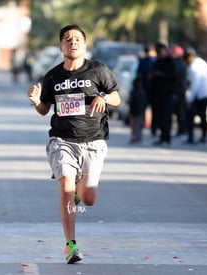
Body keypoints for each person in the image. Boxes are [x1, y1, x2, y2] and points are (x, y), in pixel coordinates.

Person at [27, 24, 120, 264]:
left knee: (88, 199)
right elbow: (44, 109)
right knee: (66, 190)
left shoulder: (98, 70)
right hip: (62, 141)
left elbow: (116, 97)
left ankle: (82, 191)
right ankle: (71, 245)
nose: (73, 42)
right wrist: (36, 101)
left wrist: (103, 97)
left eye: (77, 39)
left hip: (94, 141)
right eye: (67, 39)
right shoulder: (53, 76)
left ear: (84, 44)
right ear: (61, 47)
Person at [183, 48, 207, 144]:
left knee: (193, 115)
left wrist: (190, 99)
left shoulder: (194, 67)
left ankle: (192, 137)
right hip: (206, 93)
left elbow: (195, 84)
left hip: (201, 94)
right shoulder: (200, 63)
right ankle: (203, 136)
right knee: (202, 115)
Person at [148, 42, 176, 145]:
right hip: (157, 94)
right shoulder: (157, 62)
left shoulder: (170, 62)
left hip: (168, 94)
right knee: (158, 116)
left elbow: (174, 76)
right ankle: (162, 136)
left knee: (166, 117)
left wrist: (161, 74)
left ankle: (166, 137)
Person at [136, 44, 157, 135]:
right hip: (148, 89)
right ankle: (150, 126)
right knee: (147, 108)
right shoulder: (152, 61)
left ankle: (151, 126)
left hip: (152, 89)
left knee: (150, 108)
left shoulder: (148, 61)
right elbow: (139, 75)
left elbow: (139, 75)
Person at [170, 45, 187, 137]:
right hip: (180, 90)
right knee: (179, 112)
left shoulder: (177, 64)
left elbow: (176, 78)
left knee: (180, 112)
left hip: (179, 91)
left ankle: (182, 130)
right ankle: (181, 129)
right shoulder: (180, 63)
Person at [128, 76, 146, 143]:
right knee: (137, 126)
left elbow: (130, 102)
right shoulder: (141, 92)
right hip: (138, 112)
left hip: (135, 112)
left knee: (135, 126)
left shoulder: (134, 92)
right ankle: (137, 137)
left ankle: (136, 137)